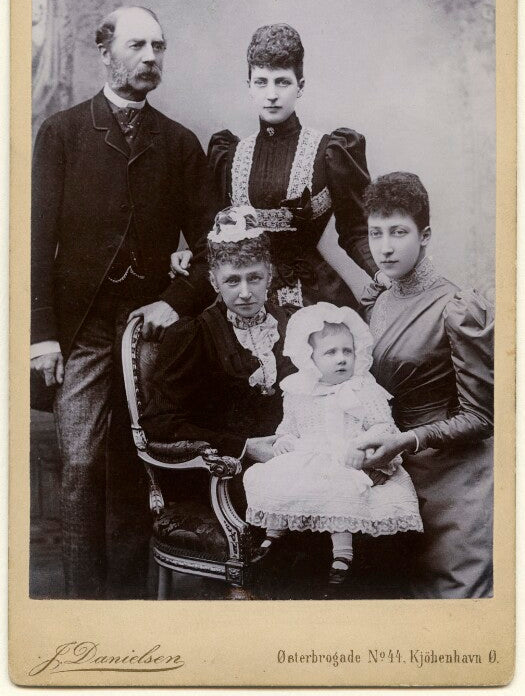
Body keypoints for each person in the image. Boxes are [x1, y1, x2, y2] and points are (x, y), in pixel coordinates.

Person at [30, 5, 214, 598]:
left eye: (159, 47)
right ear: (104, 52)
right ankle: (82, 610)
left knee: (140, 463)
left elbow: (215, 241)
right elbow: (34, 240)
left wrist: (176, 299)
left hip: (147, 329)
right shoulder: (61, 133)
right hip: (80, 324)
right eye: (138, 45)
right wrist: (41, 334)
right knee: (80, 467)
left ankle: (133, 605)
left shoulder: (181, 143)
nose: (151, 58)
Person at [171, 23, 378, 309]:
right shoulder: (229, 155)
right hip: (245, 297)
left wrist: (382, 272)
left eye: (282, 82)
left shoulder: (329, 151)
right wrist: (189, 254)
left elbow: (357, 230)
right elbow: (213, 232)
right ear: (249, 87)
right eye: (261, 82)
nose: (271, 94)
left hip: (314, 293)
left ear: (300, 87)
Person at [357, 171, 494, 598]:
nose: (385, 246)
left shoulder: (456, 307)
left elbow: (481, 417)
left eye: (399, 232)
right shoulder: (379, 302)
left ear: (425, 235)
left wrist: (408, 440)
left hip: (454, 482)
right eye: (376, 233)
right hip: (397, 477)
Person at [243, 302, 423, 587]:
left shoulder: (365, 388)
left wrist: (362, 445)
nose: (341, 359)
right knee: (278, 474)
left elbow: (384, 426)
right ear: (310, 358)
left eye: (347, 351)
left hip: (349, 457)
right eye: (331, 352)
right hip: (310, 455)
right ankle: (273, 535)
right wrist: (285, 442)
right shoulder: (298, 391)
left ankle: (342, 555)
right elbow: (288, 428)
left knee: (340, 487)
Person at [141, 206, 296, 464]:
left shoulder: (291, 323)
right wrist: (243, 447)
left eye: (254, 278)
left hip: (294, 456)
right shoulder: (195, 336)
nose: (245, 292)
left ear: (269, 276)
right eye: (232, 281)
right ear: (214, 282)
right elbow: (159, 423)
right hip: (227, 468)